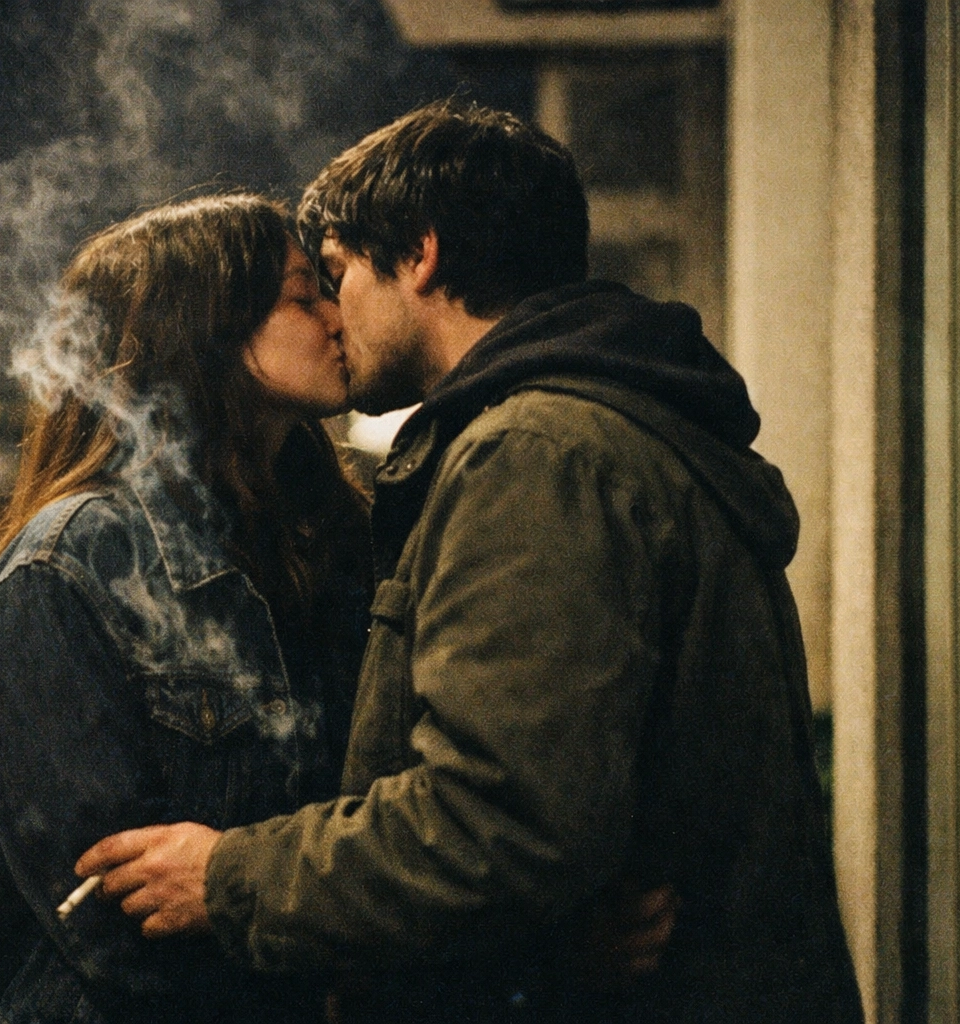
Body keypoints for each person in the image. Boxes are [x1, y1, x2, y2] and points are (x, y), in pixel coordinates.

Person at [77, 100, 865, 1022]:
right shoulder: (608, 426)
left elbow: (498, 822)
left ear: (419, 255)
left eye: (337, 274)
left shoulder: (536, 454)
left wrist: (229, 878)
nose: (334, 313)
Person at [0, 193, 375, 1024]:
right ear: (206, 328)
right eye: (301, 293)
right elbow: (112, 921)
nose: (336, 314)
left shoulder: (325, 537)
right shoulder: (69, 567)